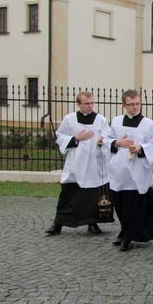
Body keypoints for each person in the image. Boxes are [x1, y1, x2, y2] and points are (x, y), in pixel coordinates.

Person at [106, 90, 153, 251]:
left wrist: (141, 147)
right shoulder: (116, 122)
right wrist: (116, 143)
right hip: (119, 171)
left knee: (133, 204)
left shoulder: (149, 124)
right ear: (124, 105)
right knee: (120, 204)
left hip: (137, 170)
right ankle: (124, 232)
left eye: (138, 103)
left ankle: (127, 237)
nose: (135, 107)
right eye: (131, 104)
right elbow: (107, 140)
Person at [46, 91, 111, 236]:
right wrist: (75, 138)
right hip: (75, 162)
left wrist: (102, 141)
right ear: (78, 104)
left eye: (92, 103)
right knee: (68, 194)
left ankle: (92, 223)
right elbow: (60, 136)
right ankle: (58, 224)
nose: (90, 106)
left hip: (93, 163)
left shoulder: (101, 120)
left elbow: (108, 137)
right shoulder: (69, 119)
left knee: (92, 195)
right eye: (86, 103)